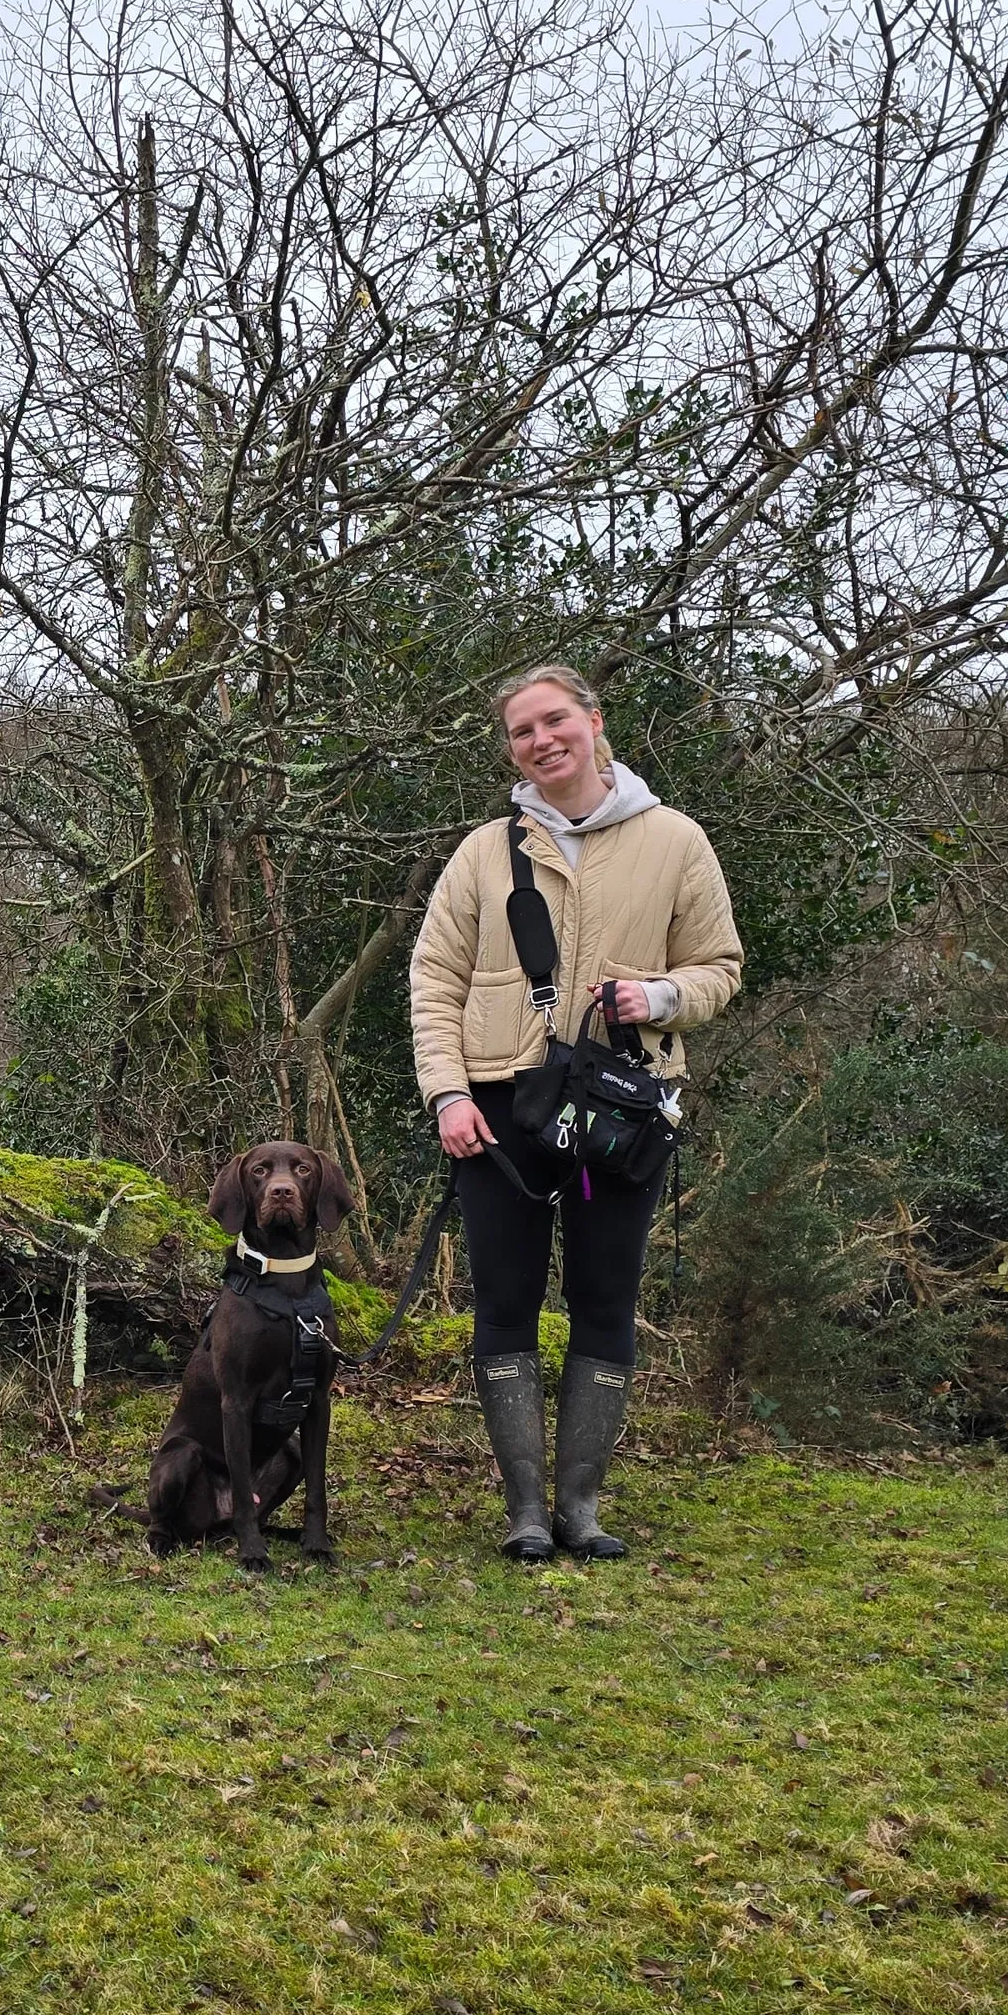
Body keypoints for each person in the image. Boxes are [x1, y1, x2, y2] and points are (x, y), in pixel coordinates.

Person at [409, 663, 743, 1561]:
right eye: (522, 731)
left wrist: (663, 996)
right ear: (512, 748)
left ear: (595, 723)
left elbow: (720, 965)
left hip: (620, 1109)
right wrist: (445, 1091)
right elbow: (433, 978)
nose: (541, 740)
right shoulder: (485, 851)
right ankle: (524, 1510)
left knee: (605, 1298)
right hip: (495, 1102)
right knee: (505, 1300)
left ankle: (581, 1507)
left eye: (555, 720)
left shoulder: (676, 840)